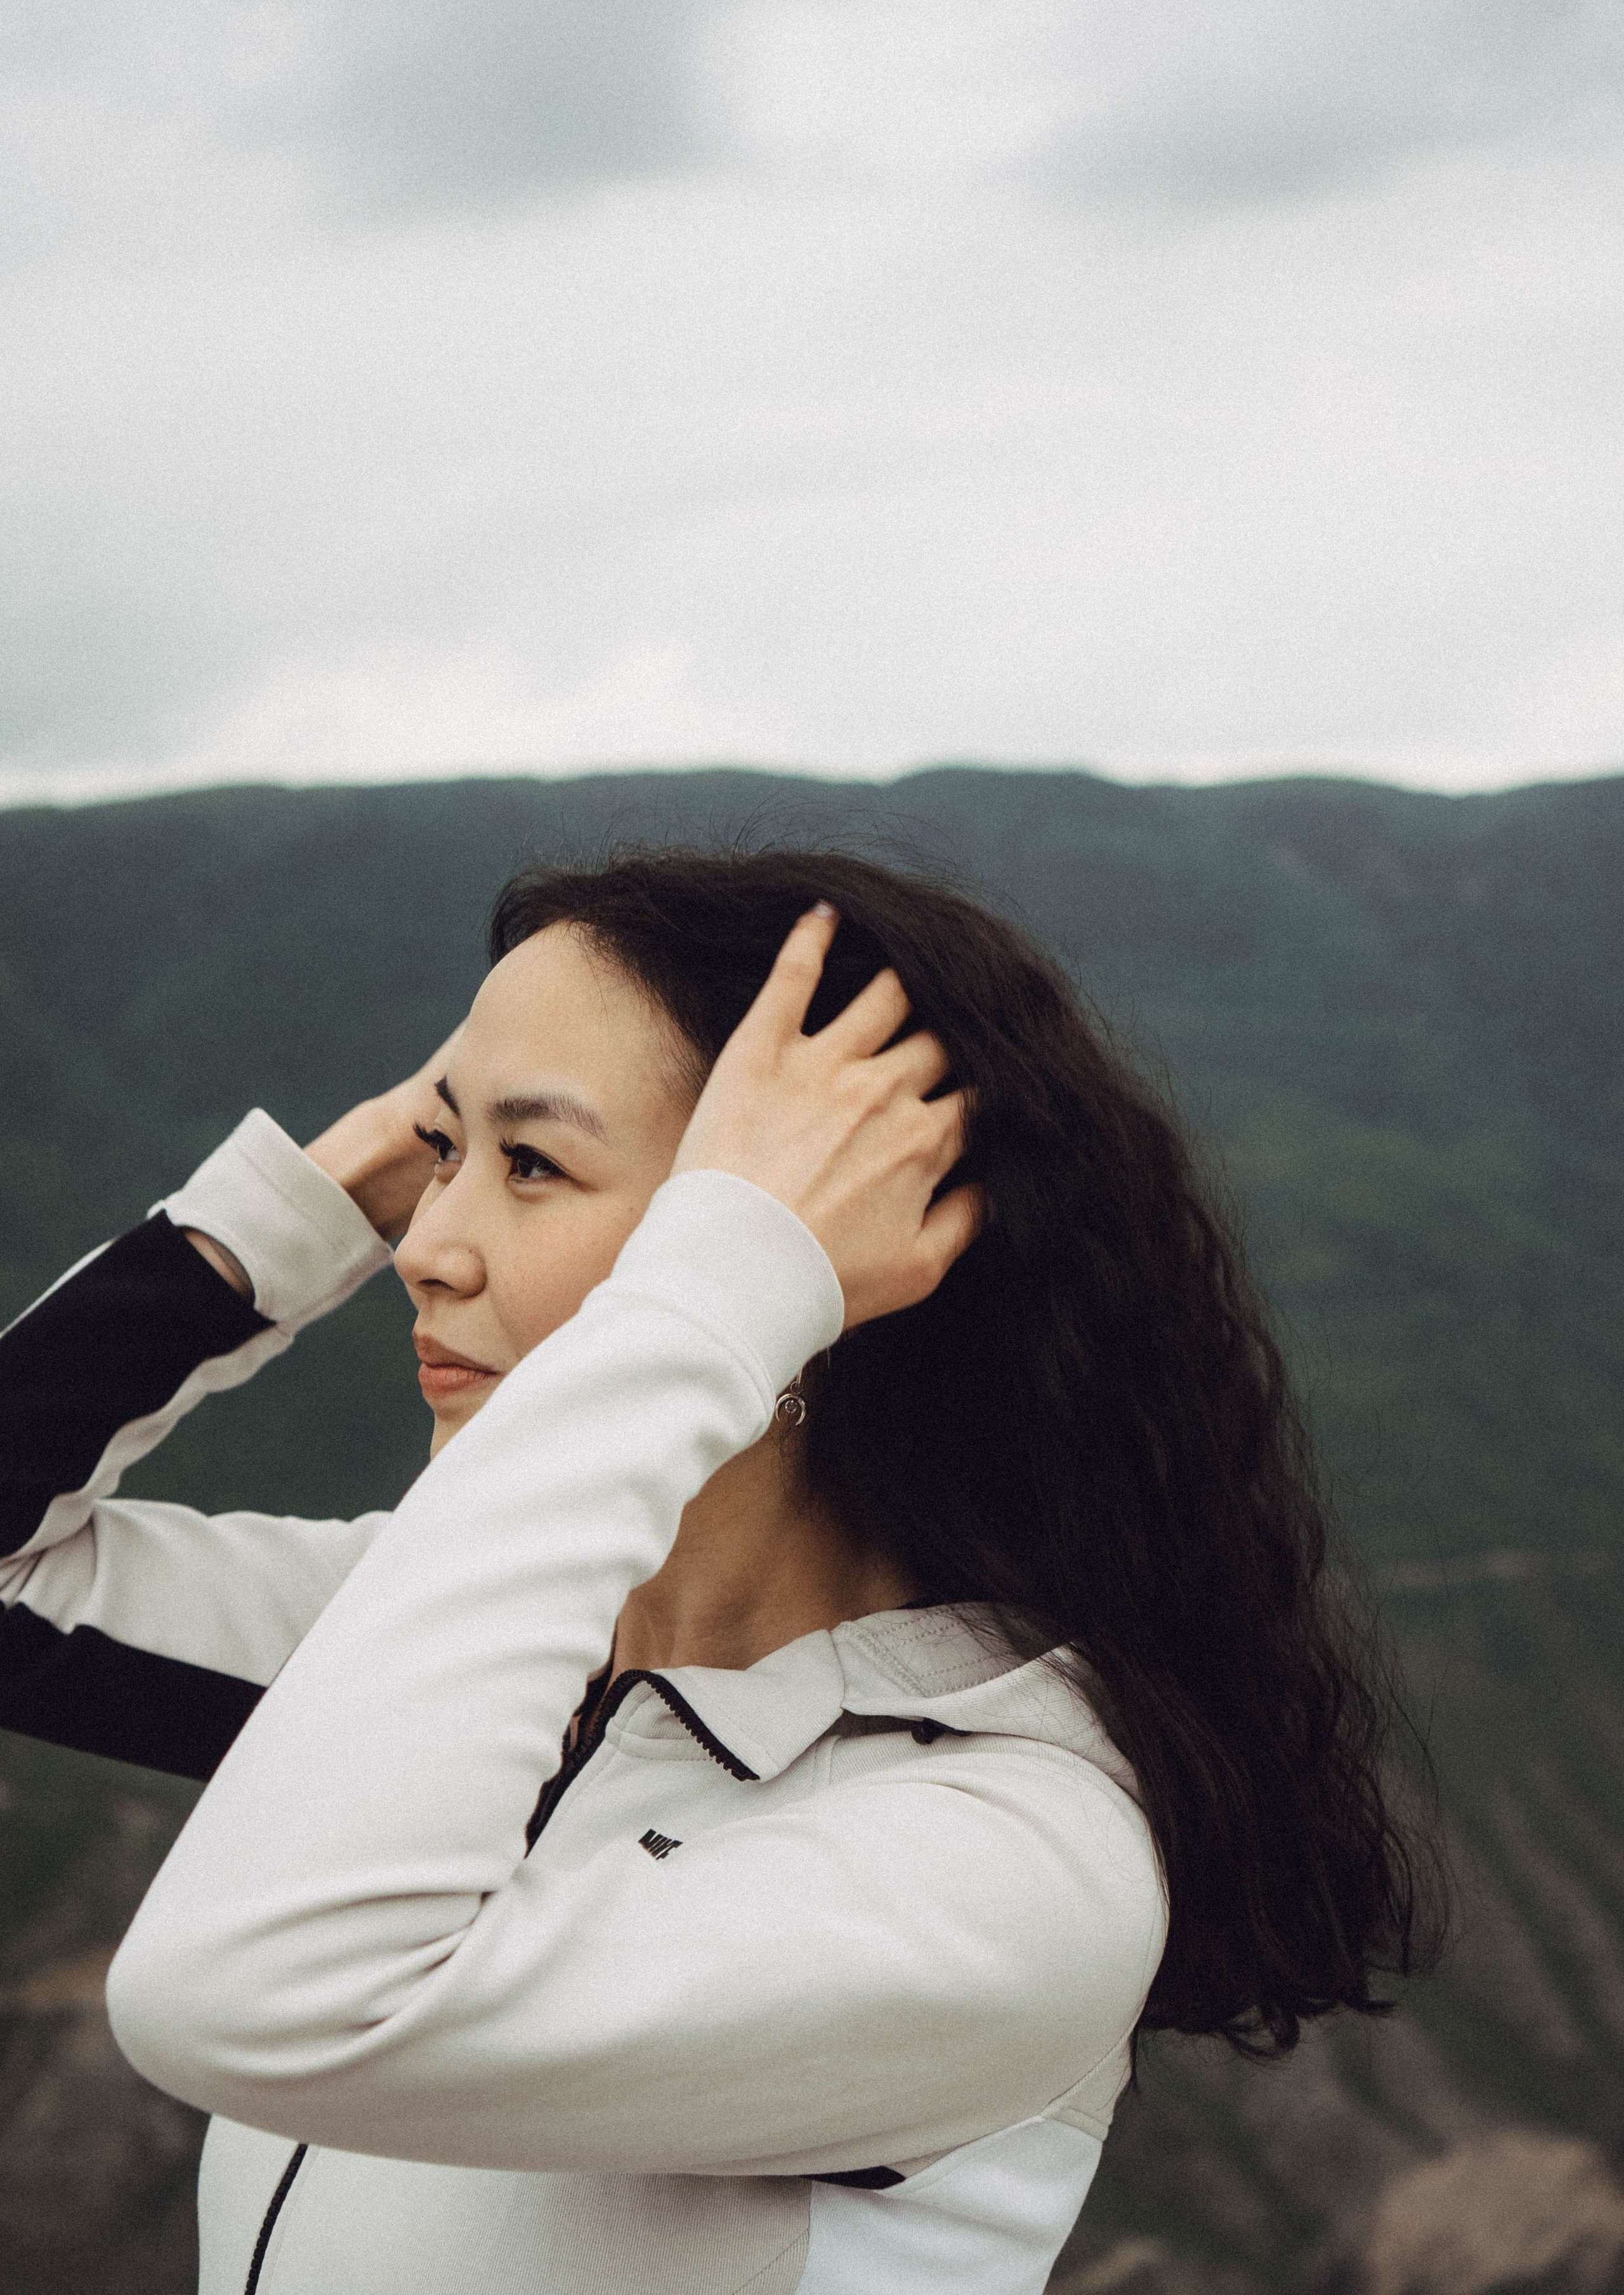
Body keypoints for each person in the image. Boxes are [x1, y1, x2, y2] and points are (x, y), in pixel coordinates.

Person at [0, 846, 1436, 2295]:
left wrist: (715, 1302)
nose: (425, 1248)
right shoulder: (457, 1642)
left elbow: (249, 2002)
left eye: (532, 1164)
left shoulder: (1007, 1850)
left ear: (811, 1260)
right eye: (441, 1157)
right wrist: (284, 1219)